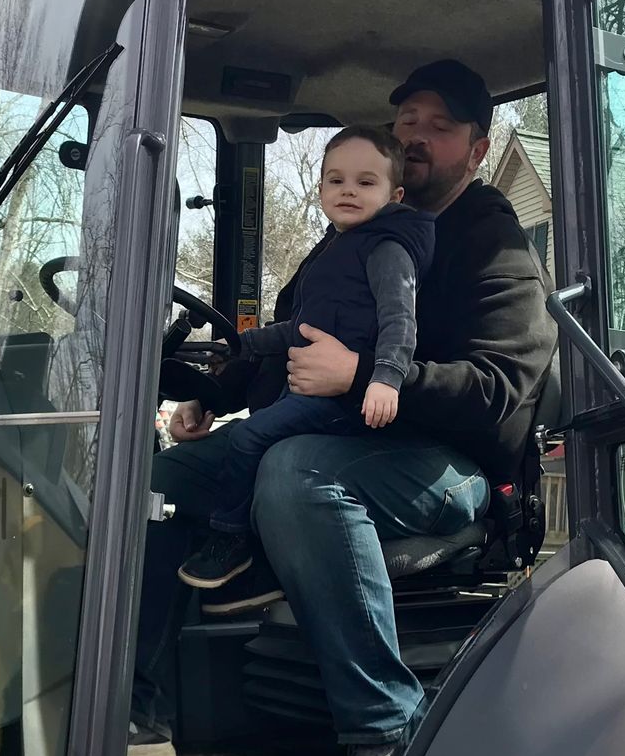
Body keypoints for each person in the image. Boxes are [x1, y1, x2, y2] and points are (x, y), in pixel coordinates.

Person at [130, 59, 554, 756]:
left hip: (451, 470)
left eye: (441, 128)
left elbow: (500, 396)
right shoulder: (347, 242)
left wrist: (364, 375)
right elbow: (299, 348)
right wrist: (209, 395)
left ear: (478, 150)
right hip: (338, 435)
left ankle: (385, 735)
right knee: (161, 482)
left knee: (295, 472)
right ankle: (138, 710)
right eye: (408, 123)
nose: (418, 138)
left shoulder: (492, 247)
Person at [176, 125, 435, 589]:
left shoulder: (387, 248)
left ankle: (233, 541)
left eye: (365, 182)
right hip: (312, 392)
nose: (348, 191)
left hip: (346, 403)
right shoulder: (335, 253)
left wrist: (384, 378)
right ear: (320, 190)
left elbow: (401, 319)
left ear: (394, 194)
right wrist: (239, 347)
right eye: (336, 181)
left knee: (247, 439)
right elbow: (301, 328)